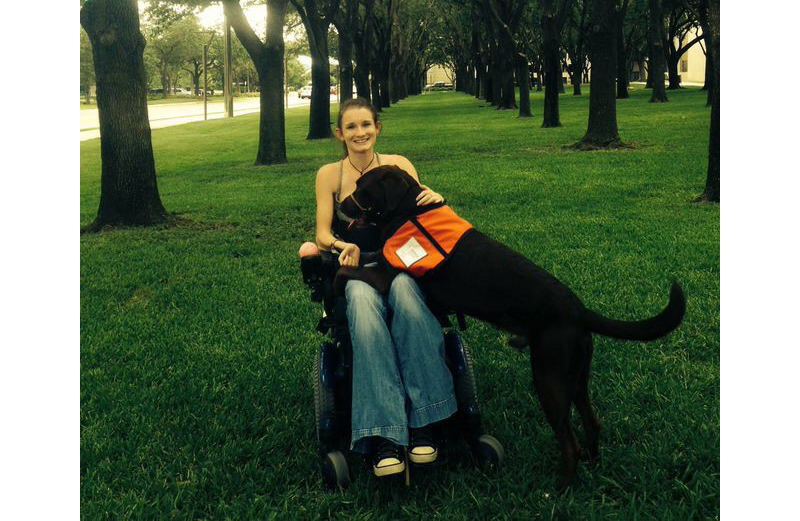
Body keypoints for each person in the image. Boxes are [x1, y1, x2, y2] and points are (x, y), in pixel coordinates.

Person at [314, 97, 458, 477]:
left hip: (401, 261)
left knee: (409, 298)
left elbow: (426, 212)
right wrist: (342, 245)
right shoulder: (329, 174)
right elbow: (322, 233)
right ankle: (385, 435)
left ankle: (425, 422)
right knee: (361, 306)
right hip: (358, 266)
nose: (359, 133)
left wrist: (438, 199)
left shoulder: (400, 165)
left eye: (366, 125)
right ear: (339, 134)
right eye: (351, 127)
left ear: (378, 127)